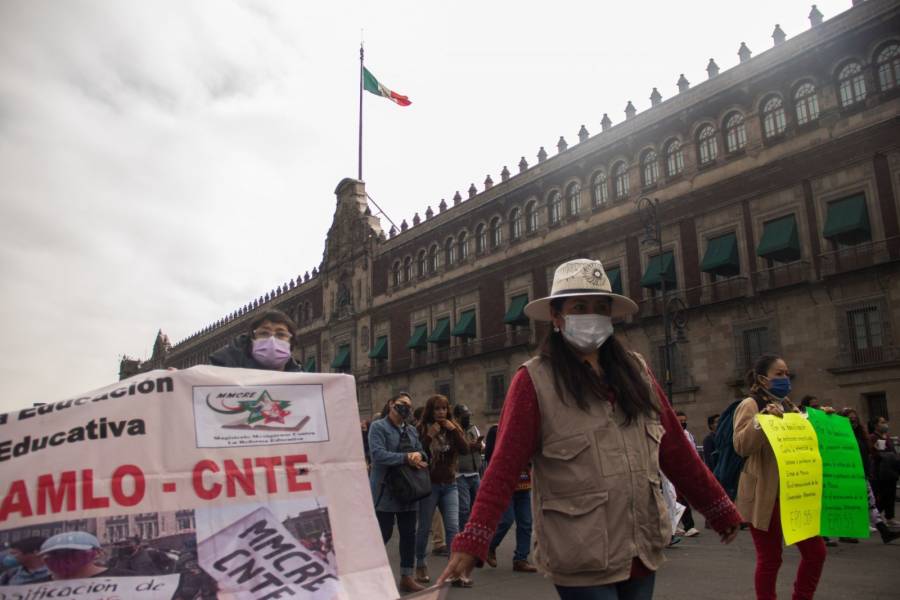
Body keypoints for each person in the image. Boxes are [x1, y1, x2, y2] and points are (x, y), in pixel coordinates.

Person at [439, 258, 742, 599]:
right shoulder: (534, 380)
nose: (592, 315)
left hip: (641, 544)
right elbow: (503, 467)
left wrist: (718, 506)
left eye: (600, 307)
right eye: (579, 307)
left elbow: (674, 449)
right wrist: (474, 539)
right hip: (579, 551)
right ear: (557, 316)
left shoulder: (637, 371)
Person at [733, 354, 827, 600]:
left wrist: (822, 420)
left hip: (794, 493)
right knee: (770, 559)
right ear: (763, 379)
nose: (786, 378)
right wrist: (760, 422)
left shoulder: (789, 405)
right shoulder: (750, 405)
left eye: (787, 373)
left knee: (816, 552)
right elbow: (741, 446)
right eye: (779, 374)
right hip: (764, 494)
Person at [368, 392, 428, 593]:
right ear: (391, 404)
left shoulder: (411, 430)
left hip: (409, 490)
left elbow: (422, 451)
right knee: (382, 534)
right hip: (385, 490)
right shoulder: (378, 427)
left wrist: (419, 454)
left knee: (408, 535)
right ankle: (368, 574)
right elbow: (378, 455)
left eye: (409, 406)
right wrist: (405, 458)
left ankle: (406, 577)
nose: (405, 408)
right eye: (402, 404)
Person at [415, 394, 470, 586]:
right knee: (423, 528)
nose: (441, 412)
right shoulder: (421, 428)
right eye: (437, 408)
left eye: (444, 408)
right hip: (428, 485)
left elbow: (464, 450)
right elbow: (417, 451)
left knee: (453, 528)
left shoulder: (452, 428)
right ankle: (420, 564)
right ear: (430, 410)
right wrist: (430, 434)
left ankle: (454, 571)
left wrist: (454, 430)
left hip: (449, 484)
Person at [839, 408, 900, 544]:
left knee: (870, 503)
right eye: (850, 419)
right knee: (851, 504)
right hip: (847, 475)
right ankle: (845, 533)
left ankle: (885, 532)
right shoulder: (841, 436)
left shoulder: (861, 435)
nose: (853, 421)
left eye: (855, 419)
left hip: (862, 474)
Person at [483, 423, 538, 573]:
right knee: (506, 520)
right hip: (504, 484)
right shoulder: (496, 430)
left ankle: (521, 559)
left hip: (524, 482)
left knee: (526, 522)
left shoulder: (529, 429)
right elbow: (490, 456)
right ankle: (490, 546)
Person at [209, 309, 302, 371]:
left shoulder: (305, 384)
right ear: (252, 340)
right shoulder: (219, 371)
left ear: (291, 342)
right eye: (264, 333)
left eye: (281, 334)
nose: (272, 340)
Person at [40, 532, 135, 580]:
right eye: (55, 553)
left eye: (74, 551)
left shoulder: (130, 579)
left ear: (97, 553)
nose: (64, 557)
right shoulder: (32, 587)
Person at [453, 403, 484, 533]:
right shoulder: (453, 431)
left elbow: (482, 446)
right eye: (465, 416)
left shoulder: (473, 428)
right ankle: (463, 533)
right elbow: (454, 449)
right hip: (461, 475)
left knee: (478, 506)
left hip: (475, 473)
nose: (468, 418)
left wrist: (479, 446)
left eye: (468, 416)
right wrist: (469, 447)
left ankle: (475, 532)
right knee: (464, 508)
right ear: (457, 417)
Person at [674, 411, 700, 538]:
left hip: (685, 469)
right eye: (680, 421)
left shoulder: (687, 434)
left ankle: (677, 525)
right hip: (673, 470)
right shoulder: (669, 435)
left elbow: (693, 451)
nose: (683, 423)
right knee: (677, 498)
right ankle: (688, 526)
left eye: (684, 421)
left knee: (680, 498)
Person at [869, 416, 898, 525]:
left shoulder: (888, 438)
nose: (885, 424)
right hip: (879, 472)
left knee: (891, 494)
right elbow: (872, 454)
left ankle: (890, 517)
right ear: (876, 425)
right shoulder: (872, 437)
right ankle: (876, 518)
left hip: (891, 471)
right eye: (882, 422)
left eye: (885, 422)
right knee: (880, 495)